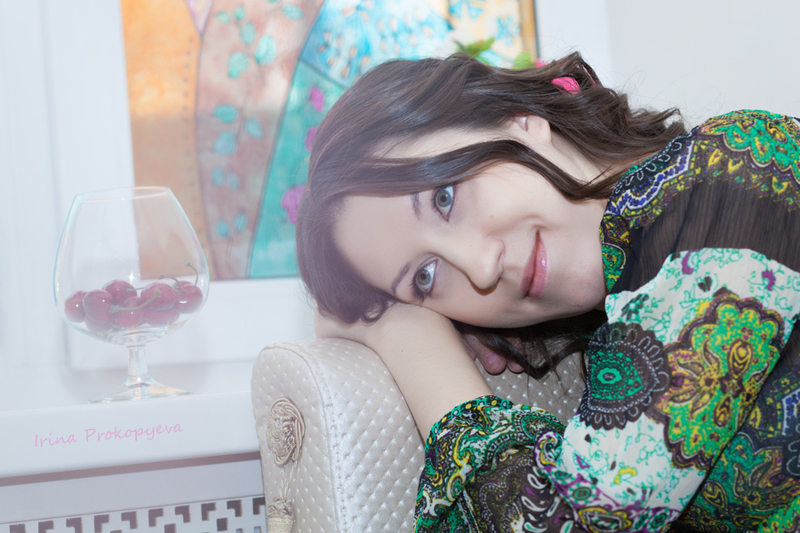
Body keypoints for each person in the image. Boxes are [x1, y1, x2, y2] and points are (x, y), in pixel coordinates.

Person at [295, 52, 800, 532]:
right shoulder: (623, 314)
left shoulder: (737, 169)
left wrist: (412, 348)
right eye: (425, 277)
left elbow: (578, 519)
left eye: (444, 197)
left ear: (519, 118)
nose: (481, 267)